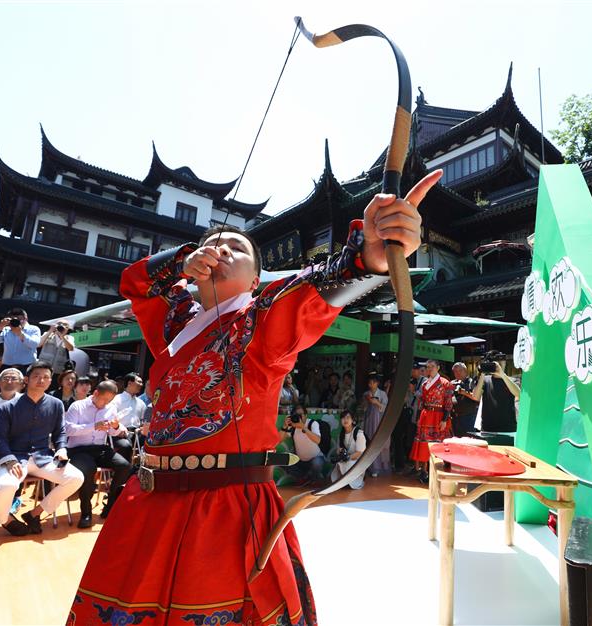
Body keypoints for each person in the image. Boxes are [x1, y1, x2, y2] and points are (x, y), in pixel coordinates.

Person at [67, 170, 436, 626]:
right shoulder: (177, 325)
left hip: (225, 513)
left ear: (256, 277)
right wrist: (183, 258)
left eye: (236, 249)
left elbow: (316, 291)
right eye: (212, 246)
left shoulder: (261, 319)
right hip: (146, 506)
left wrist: (367, 258)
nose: (221, 251)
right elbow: (135, 284)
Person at [0, 361, 84, 536]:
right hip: (14, 458)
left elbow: (60, 432)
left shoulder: (56, 404)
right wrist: (9, 461)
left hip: (44, 457)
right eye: (36, 376)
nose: (41, 380)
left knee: (76, 477)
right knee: (5, 485)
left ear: (50, 382)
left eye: (46, 377)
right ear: (26, 380)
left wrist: (61, 449)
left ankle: (35, 514)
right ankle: (6, 520)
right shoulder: (8, 407)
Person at [65, 380, 131, 527]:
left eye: (110, 400)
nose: (107, 403)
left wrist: (116, 426)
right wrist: (93, 426)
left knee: (124, 466)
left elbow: (113, 432)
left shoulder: (110, 408)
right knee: (89, 470)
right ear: (95, 393)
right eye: (105, 399)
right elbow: (69, 430)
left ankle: (110, 505)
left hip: (100, 448)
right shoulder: (78, 406)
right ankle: (86, 512)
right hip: (78, 449)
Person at [409, 360, 454, 483]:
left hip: (439, 416)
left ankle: (438, 471)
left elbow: (448, 403)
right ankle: (424, 472)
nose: (430, 369)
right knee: (424, 444)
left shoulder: (446, 383)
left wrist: (445, 419)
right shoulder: (425, 384)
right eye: (428, 367)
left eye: (432, 367)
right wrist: (419, 417)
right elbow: (421, 403)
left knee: (438, 444)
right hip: (426, 415)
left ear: (438, 368)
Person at [472, 350, 520, 433]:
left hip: (508, 428)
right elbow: (475, 397)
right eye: (497, 363)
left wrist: (502, 375)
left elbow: (518, 394)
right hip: (488, 428)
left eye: (502, 363)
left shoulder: (513, 380)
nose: (499, 366)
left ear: (505, 363)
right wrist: (483, 372)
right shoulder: (485, 380)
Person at [283, 404, 327, 487]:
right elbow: (281, 438)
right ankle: (303, 478)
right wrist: (285, 426)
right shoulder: (293, 426)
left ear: (306, 415)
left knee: (316, 463)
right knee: (283, 459)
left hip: (316, 458)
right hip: (300, 461)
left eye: (300, 415)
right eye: (296, 415)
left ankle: (314, 479)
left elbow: (318, 440)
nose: (298, 417)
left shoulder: (312, 423)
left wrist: (303, 427)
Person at [108, 372, 146, 463]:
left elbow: (143, 422)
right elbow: (110, 418)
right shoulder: (116, 399)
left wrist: (141, 428)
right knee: (125, 446)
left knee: (149, 444)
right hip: (119, 433)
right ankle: (126, 471)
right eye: (139, 382)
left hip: (136, 433)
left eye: (141, 382)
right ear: (129, 383)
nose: (141, 385)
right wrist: (119, 428)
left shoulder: (141, 403)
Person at [329, 410, 366, 489]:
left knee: (348, 464)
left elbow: (360, 452)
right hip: (347, 458)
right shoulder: (341, 434)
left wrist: (348, 458)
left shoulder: (358, 433)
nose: (345, 420)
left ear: (352, 420)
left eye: (348, 417)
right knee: (338, 465)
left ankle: (353, 482)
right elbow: (339, 449)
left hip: (358, 460)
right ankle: (345, 482)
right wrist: (339, 451)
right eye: (343, 418)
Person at [361, 374, 389, 478]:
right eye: (369, 382)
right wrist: (366, 403)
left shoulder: (382, 394)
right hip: (368, 421)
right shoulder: (366, 394)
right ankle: (369, 467)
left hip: (379, 422)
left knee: (378, 443)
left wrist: (377, 403)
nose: (370, 384)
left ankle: (378, 467)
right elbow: (362, 408)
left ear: (377, 383)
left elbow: (386, 408)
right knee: (368, 442)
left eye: (373, 382)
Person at [451, 362, 479, 437]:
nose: (458, 373)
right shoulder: (452, 383)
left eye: (460, 370)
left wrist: (464, 392)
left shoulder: (471, 382)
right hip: (455, 418)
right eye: (455, 371)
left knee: (469, 441)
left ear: (465, 371)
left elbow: (477, 398)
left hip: (469, 418)